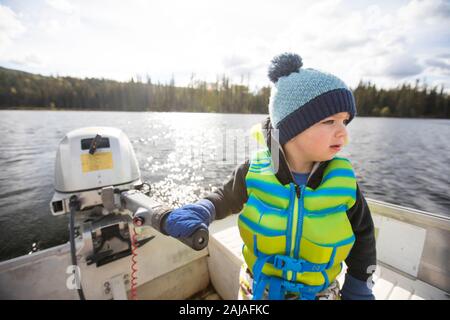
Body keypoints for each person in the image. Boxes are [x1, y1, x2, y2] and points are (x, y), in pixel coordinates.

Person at [164, 52, 377, 300]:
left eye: (345, 121)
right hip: (259, 288)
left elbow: (364, 236)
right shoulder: (254, 170)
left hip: (319, 292)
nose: (343, 134)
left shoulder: (343, 182)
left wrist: (360, 285)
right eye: (330, 121)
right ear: (291, 128)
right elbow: (224, 197)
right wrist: (201, 210)